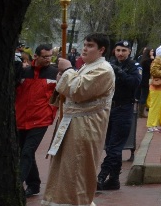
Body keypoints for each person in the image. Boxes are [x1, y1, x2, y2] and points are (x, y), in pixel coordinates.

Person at [41, 33, 115, 206]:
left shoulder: (104, 69)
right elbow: (68, 93)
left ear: (101, 49)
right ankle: (56, 200)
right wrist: (62, 79)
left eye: (90, 46)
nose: (85, 49)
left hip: (86, 127)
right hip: (71, 125)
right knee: (63, 168)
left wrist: (68, 70)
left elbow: (79, 91)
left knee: (77, 169)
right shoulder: (86, 67)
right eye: (85, 45)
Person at [98, 39, 142, 191]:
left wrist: (119, 72)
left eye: (124, 50)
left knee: (115, 147)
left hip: (124, 108)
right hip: (109, 108)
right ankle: (114, 180)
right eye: (118, 50)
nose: (120, 53)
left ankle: (101, 176)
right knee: (110, 146)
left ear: (129, 51)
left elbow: (134, 83)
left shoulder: (134, 66)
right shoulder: (110, 64)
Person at [16, 43, 58, 198]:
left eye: (50, 56)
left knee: (27, 151)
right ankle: (33, 185)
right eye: (45, 57)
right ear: (36, 56)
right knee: (25, 152)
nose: (48, 59)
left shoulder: (55, 73)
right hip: (22, 118)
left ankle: (17, 184)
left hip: (41, 119)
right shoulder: (24, 72)